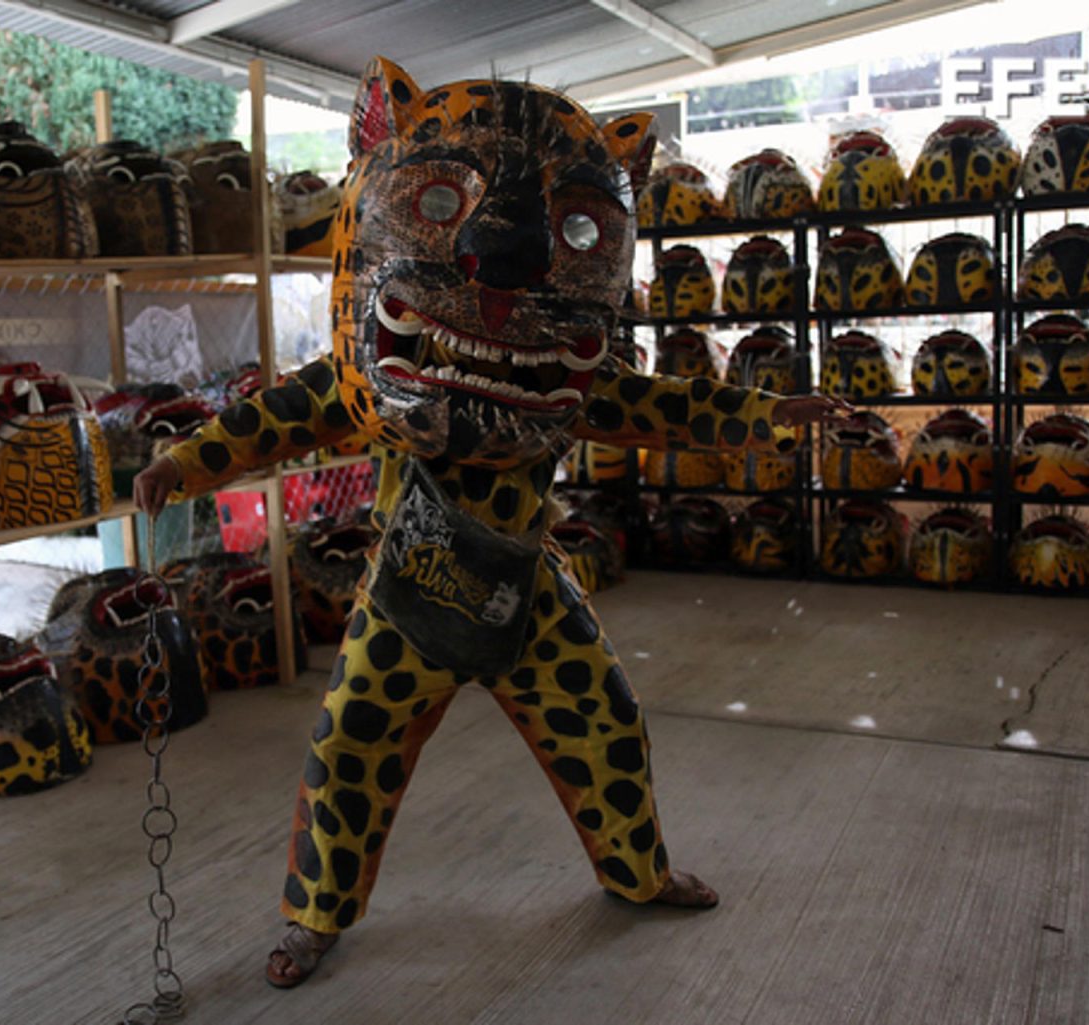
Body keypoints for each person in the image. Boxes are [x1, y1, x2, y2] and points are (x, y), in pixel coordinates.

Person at [135, 56, 851, 988]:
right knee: (350, 746)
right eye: (438, 203)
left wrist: (766, 418)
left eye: (577, 227)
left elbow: (661, 403)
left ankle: (640, 871)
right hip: (408, 589)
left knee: (607, 721)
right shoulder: (369, 376)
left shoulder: (566, 370)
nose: (500, 262)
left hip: (525, 581)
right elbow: (273, 416)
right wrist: (180, 463)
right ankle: (314, 917)